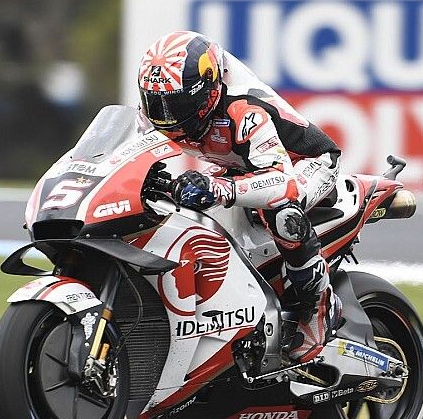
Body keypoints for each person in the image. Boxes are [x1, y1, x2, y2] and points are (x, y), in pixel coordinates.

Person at [137, 30, 342, 361]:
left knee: (282, 212)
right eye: (157, 104)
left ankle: (317, 305)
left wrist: (222, 188)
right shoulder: (158, 105)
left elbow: (282, 182)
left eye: (178, 104)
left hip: (302, 164)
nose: (167, 116)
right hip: (240, 164)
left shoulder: (244, 108)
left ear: (207, 90)